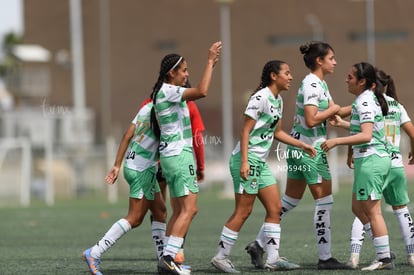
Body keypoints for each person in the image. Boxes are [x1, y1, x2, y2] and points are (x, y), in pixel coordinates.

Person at [245, 41, 350, 270]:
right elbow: (313, 119)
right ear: (319, 61)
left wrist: (365, 102)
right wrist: (332, 111)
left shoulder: (319, 83)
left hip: (299, 148)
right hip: (310, 149)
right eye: (331, 58)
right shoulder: (312, 84)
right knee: (324, 201)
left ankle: (259, 243)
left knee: (290, 201)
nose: (335, 62)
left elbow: (336, 111)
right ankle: (325, 258)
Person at [211, 60, 316, 273]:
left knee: (275, 209)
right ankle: (220, 257)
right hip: (247, 160)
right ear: (273, 76)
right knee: (243, 211)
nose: (291, 77)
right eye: (287, 73)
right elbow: (245, 132)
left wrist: (302, 144)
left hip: (260, 163)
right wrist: (244, 163)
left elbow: (277, 133)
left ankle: (273, 259)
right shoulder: (260, 98)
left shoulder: (279, 100)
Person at [152, 41, 222, 275]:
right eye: (184, 70)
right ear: (172, 73)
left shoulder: (167, 92)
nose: (187, 74)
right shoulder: (169, 90)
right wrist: (210, 61)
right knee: (190, 210)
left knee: (180, 210)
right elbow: (202, 90)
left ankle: (168, 259)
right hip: (178, 157)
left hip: (173, 157)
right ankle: (169, 259)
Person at [321, 62, 394, 270]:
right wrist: (340, 122)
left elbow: (366, 135)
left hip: (372, 160)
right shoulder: (363, 100)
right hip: (367, 160)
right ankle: (383, 248)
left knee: (373, 211)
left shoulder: (364, 102)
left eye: (350, 77)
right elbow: (358, 126)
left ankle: (384, 258)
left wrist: (336, 142)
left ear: (362, 82)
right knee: (357, 206)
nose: (346, 79)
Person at [82, 100, 167, 275]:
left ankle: (164, 261)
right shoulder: (165, 112)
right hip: (141, 169)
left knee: (160, 211)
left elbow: (127, 135)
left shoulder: (147, 107)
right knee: (135, 218)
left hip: (137, 165)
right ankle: (94, 252)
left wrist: (116, 165)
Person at [342, 69, 414, 269]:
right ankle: (412, 255)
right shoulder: (397, 106)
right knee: (401, 210)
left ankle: (356, 257)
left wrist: (348, 151)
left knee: (365, 208)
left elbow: (360, 129)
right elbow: (412, 132)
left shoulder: (370, 102)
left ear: (373, 84)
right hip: (395, 163)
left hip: (374, 159)